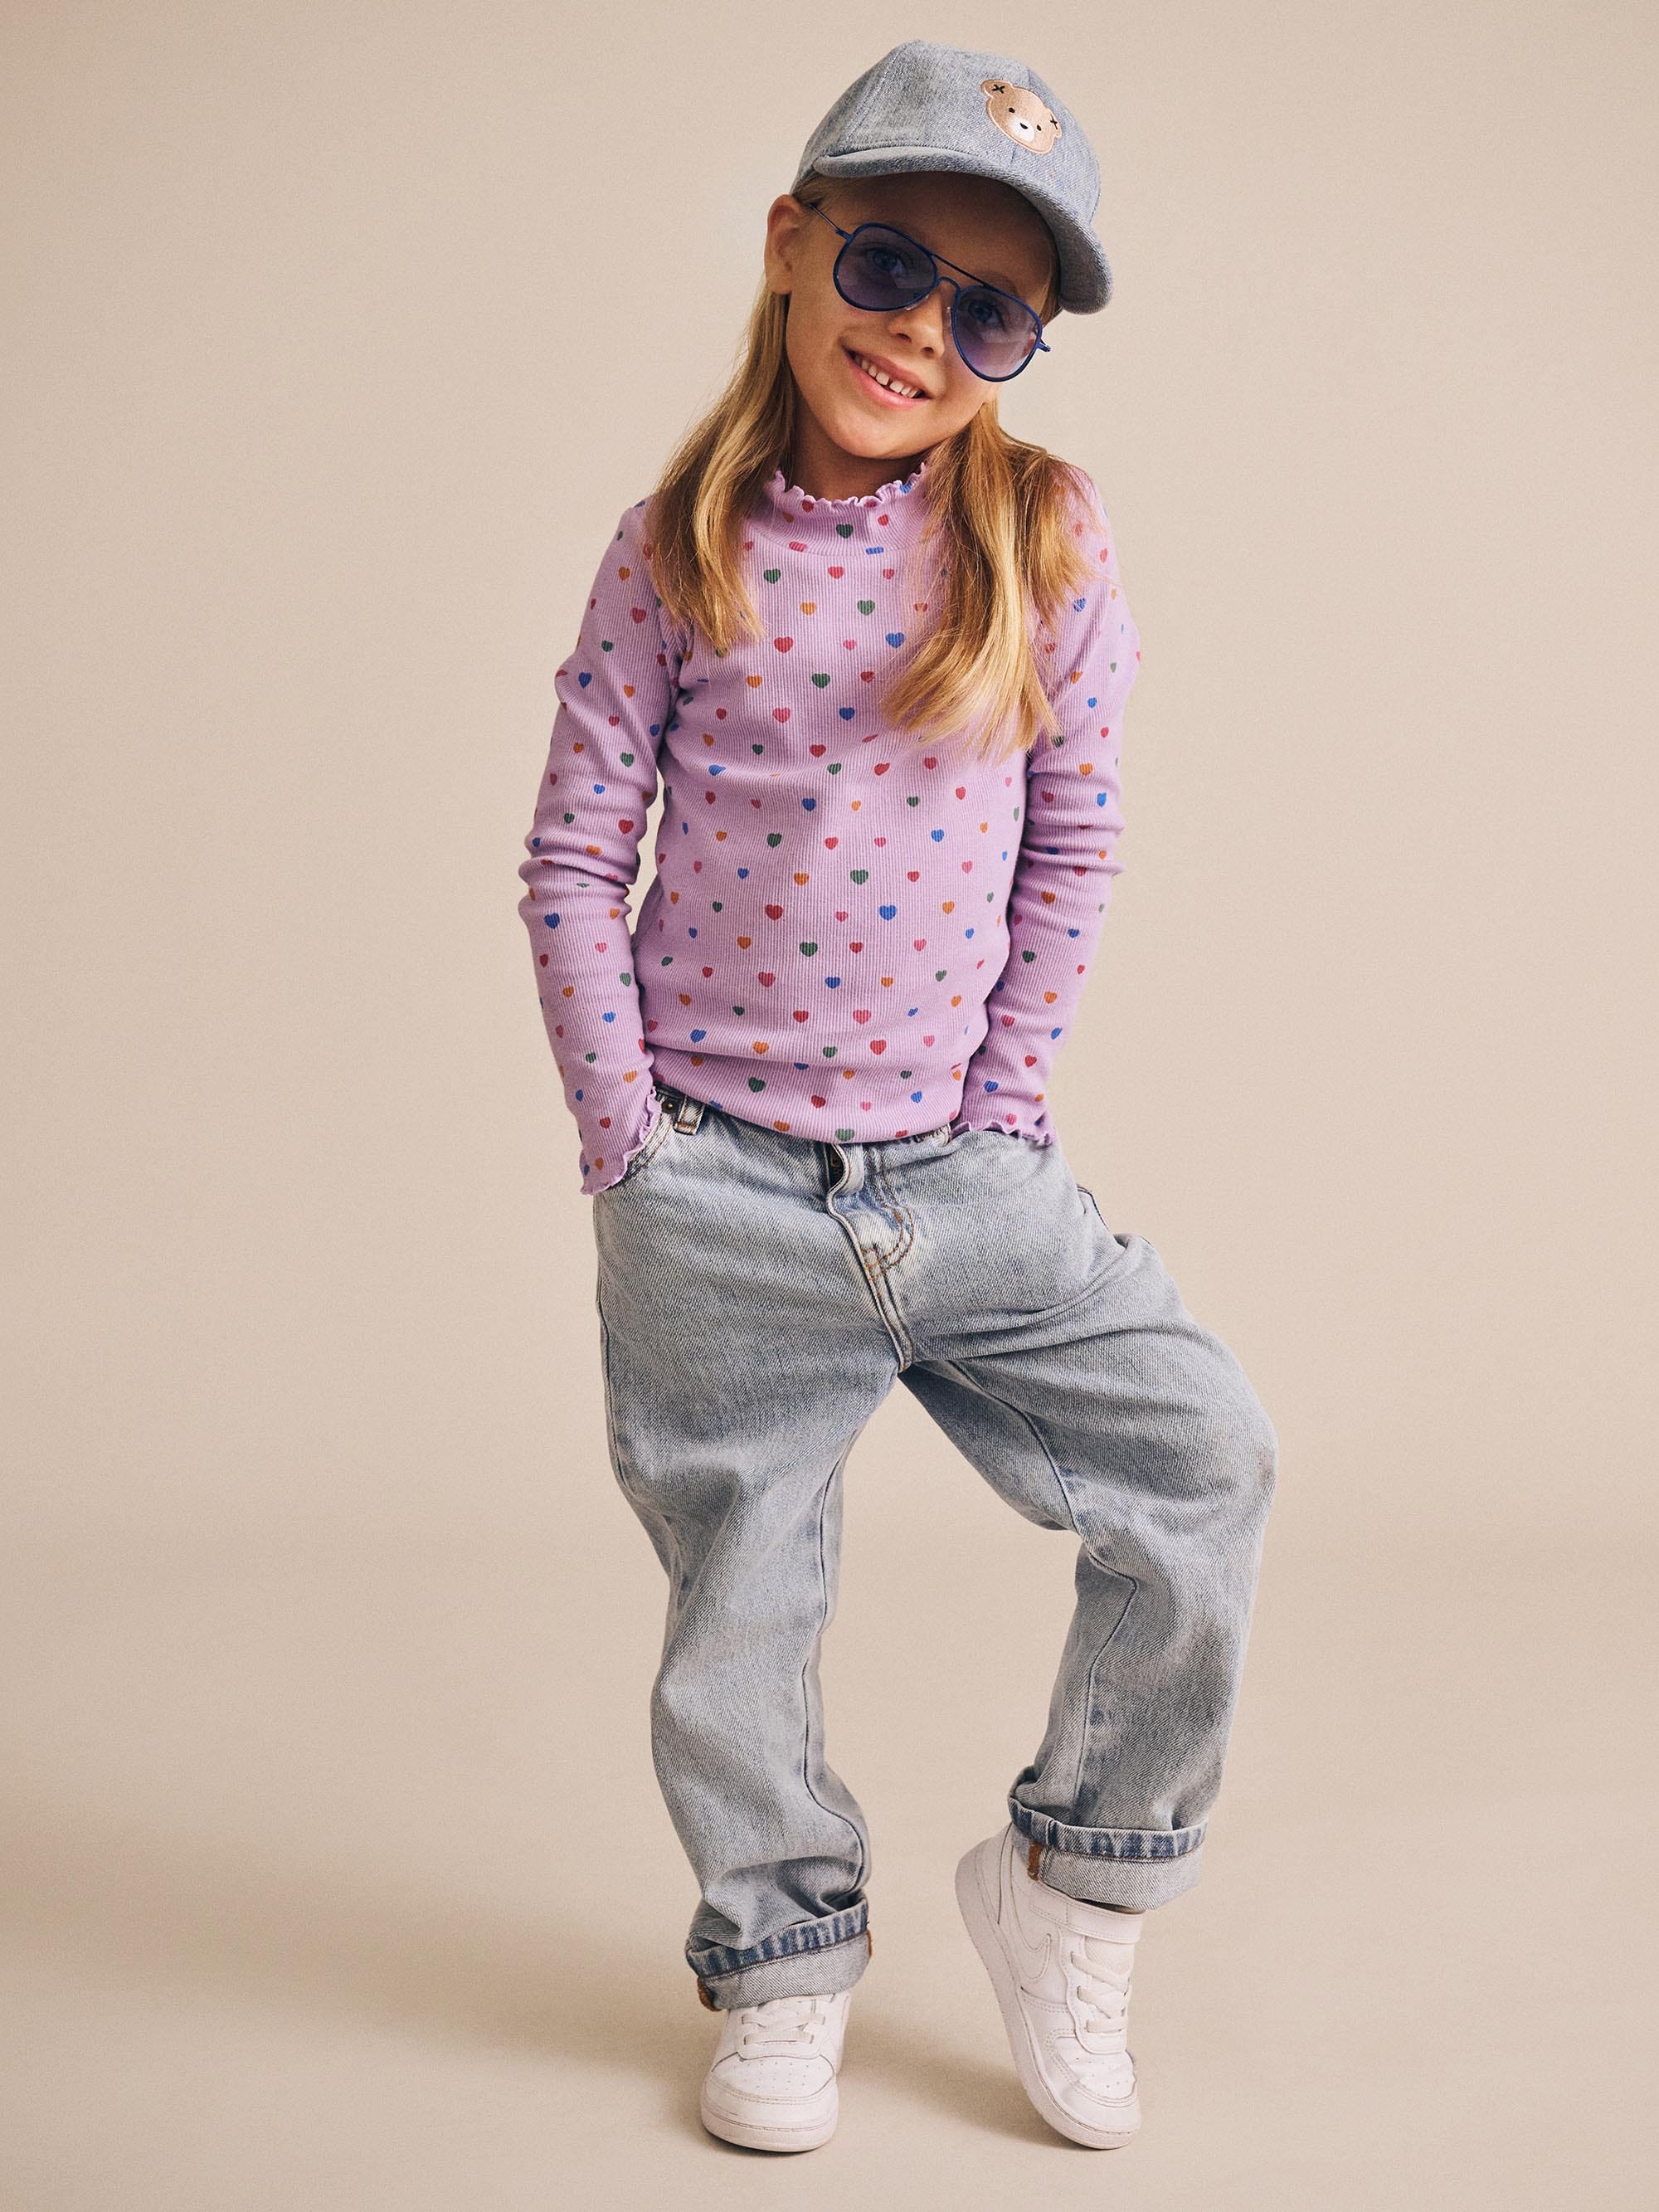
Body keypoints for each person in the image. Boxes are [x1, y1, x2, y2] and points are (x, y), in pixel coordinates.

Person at [516, 37, 1278, 2156]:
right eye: (885, 264)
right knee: (741, 1610)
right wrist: (626, 1147)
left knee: (1202, 1458)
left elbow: (1075, 841)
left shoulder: (1041, 535)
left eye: (990, 310)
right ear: (791, 245)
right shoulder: (674, 548)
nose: (921, 330)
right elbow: (574, 856)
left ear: (1019, 348)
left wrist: (1008, 1102)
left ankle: (1072, 1895)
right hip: (717, 1193)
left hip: (964, 1172)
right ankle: (779, 1962)